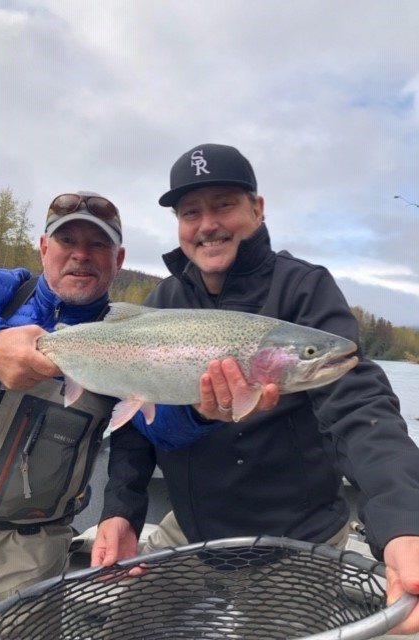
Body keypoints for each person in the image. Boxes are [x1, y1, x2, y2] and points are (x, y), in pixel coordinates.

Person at [93, 144, 419, 635]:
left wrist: (402, 522)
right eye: (190, 212)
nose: (207, 225)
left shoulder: (305, 290)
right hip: (191, 530)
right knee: (124, 627)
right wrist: (121, 510)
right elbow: (139, 422)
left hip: (298, 540)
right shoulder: (164, 301)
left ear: (257, 209)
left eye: (224, 204)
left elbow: (360, 406)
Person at [0, 191, 155, 620]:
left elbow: (134, 441)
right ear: (43, 247)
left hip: (28, 558)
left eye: (98, 245)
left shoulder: (127, 335)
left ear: (119, 258)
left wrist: (121, 514)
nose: (81, 255)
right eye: (66, 241)